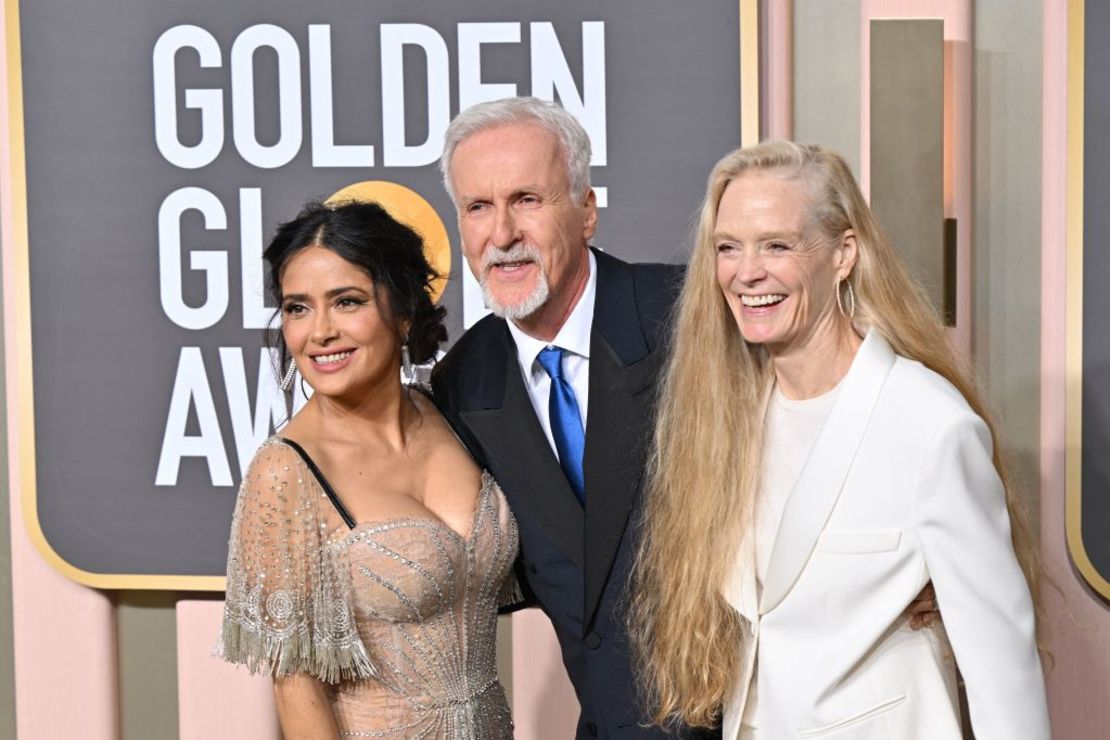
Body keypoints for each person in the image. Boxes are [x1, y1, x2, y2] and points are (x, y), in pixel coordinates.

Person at [628, 140, 1050, 739]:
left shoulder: (929, 423)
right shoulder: (726, 419)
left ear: (843, 253)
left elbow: (1002, 671)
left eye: (777, 244)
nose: (747, 272)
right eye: (728, 248)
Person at [429, 97, 706, 739]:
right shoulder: (463, 384)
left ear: (586, 210)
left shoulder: (688, 316)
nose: (501, 235)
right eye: (477, 207)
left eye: (527, 199)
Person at [217, 200, 518, 739]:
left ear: (403, 311)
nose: (320, 332)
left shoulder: (448, 413)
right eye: (297, 308)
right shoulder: (286, 471)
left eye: (346, 301)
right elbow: (296, 685)